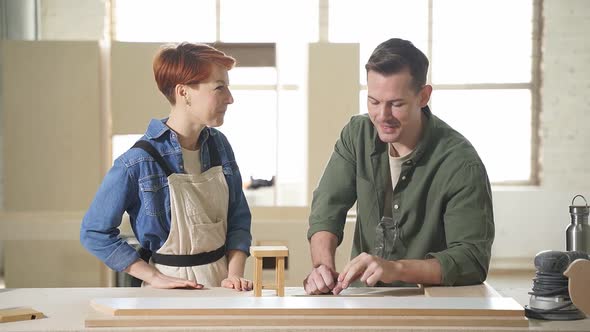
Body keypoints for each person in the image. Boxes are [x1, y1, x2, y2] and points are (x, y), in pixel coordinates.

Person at [303, 38, 494, 295]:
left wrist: (396, 269)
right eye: (373, 101)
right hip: (362, 299)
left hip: (428, 303)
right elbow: (326, 209)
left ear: (423, 96)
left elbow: (471, 259)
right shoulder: (356, 135)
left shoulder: (461, 163)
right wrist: (322, 268)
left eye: (396, 104)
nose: (382, 116)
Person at [81, 42, 252, 291]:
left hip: (222, 286)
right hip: (166, 292)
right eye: (219, 88)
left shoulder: (220, 147)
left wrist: (234, 276)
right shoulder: (139, 161)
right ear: (184, 92)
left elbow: (238, 218)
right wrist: (153, 277)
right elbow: (94, 232)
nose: (230, 98)